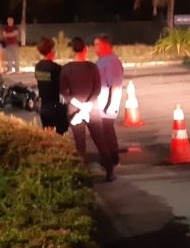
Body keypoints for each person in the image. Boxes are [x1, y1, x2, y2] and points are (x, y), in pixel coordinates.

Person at [59, 36, 115, 181]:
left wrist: (79, 106)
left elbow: (64, 92)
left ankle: (82, 175)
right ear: (85, 49)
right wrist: (87, 106)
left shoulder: (65, 69)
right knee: (100, 141)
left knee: (80, 145)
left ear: (72, 50)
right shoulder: (92, 67)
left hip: (74, 110)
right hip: (92, 109)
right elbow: (97, 90)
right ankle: (109, 172)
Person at [94, 34, 124, 166]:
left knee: (107, 131)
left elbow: (115, 84)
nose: (95, 48)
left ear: (106, 46)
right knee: (103, 132)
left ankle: (112, 159)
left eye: (97, 45)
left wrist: (108, 105)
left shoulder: (112, 61)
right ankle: (107, 159)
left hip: (107, 105)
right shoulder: (101, 60)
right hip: (100, 103)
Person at [34, 36, 67, 134]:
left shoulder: (38, 67)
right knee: (60, 134)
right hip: (55, 105)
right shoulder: (56, 68)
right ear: (52, 50)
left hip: (43, 106)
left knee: (48, 133)